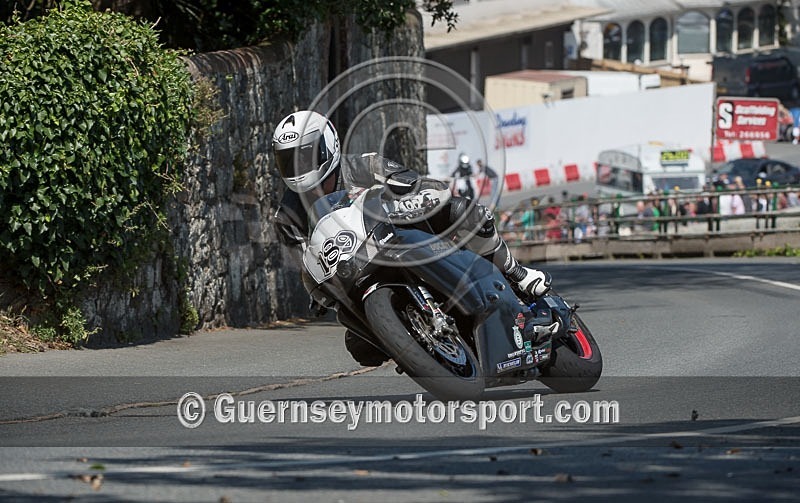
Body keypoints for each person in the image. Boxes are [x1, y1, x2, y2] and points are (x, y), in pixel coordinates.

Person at [271, 111, 552, 365]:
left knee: (462, 211)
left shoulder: (362, 166)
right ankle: (420, 345)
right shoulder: (287, 215)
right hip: (355, 267)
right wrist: (319, 293)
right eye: (288, 161)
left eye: (305, 155)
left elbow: (412, 182)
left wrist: (403, 189)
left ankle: (516, 273)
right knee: (359, 346)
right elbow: (303, 258)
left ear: (327, 146)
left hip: (400, 233)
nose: (298, 167)